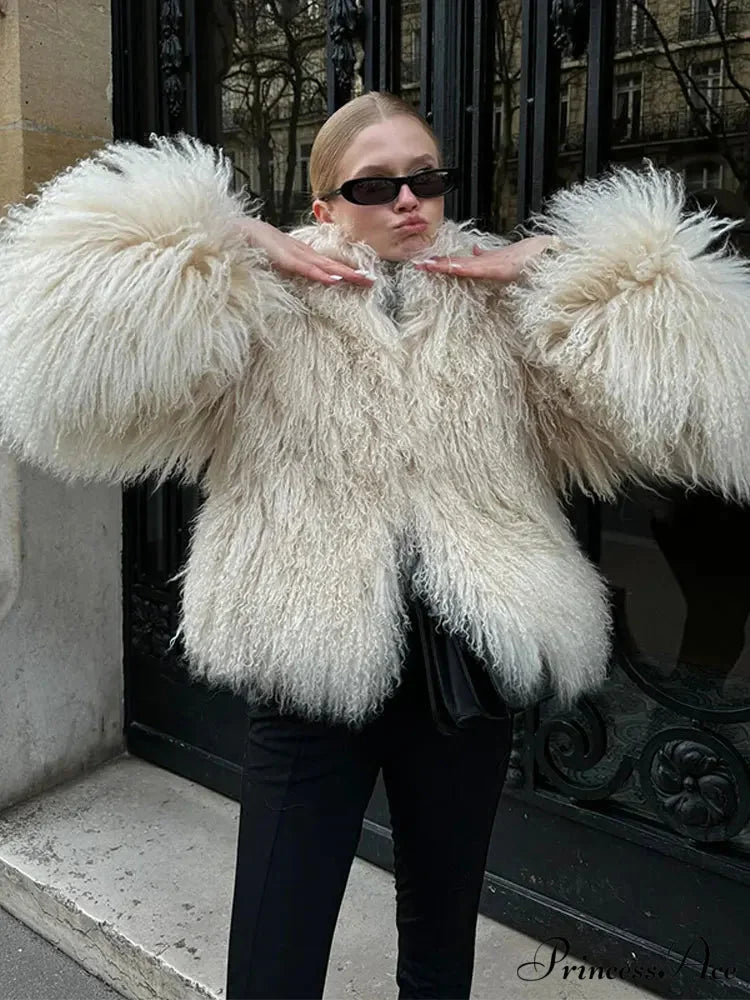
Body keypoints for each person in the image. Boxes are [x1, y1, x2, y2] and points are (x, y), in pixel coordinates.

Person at [2, 90, 750, 999]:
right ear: (324, 205)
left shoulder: (499, 311)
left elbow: (700, 394)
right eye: (376, 184)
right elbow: (52, 341)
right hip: (306, 664)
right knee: (276, 947)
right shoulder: (259, 307)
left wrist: (562, 262)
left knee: (441, 935)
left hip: (464, 667)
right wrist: (230, 236)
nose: (410, 200)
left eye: (426, 178)